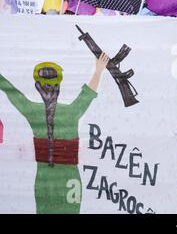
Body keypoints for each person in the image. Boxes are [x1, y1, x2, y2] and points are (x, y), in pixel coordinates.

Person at [0, 53, 109, 213]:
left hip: (53, 180)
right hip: (56, 181)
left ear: (37, 85)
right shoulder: (69, 112)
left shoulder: (36, 111)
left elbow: (13, 94)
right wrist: (98, 71)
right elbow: (87, 95)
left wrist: (98, 72)